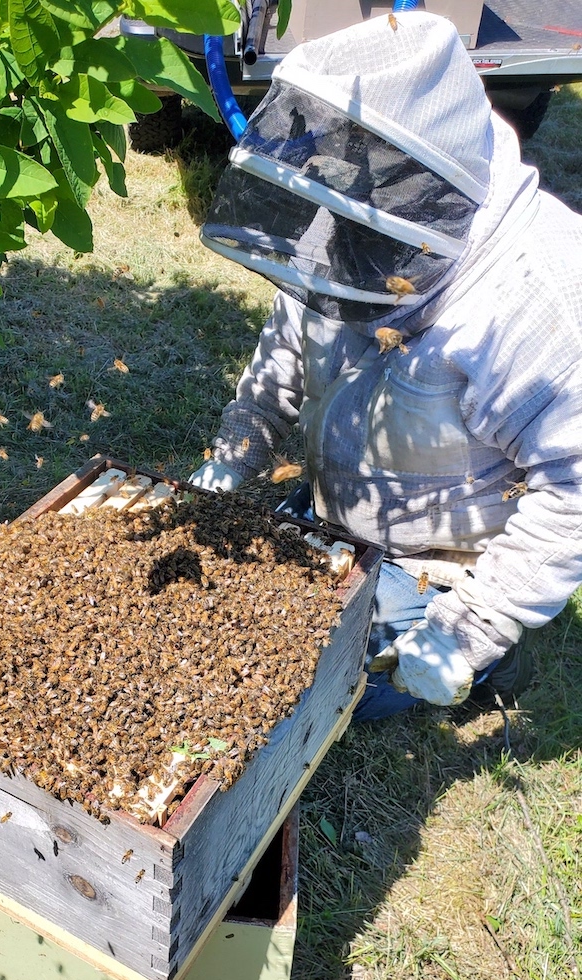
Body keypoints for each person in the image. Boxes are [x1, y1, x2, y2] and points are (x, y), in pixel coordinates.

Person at [191, 10, 582, 721]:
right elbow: (288, 338)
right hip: (329, 516)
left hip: (442, 569)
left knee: (286, 699)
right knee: (201, 628)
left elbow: (573, 492)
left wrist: (469, 632)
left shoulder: (543, 294)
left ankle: (490, 657)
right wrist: (241, 441)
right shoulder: (350, 201)